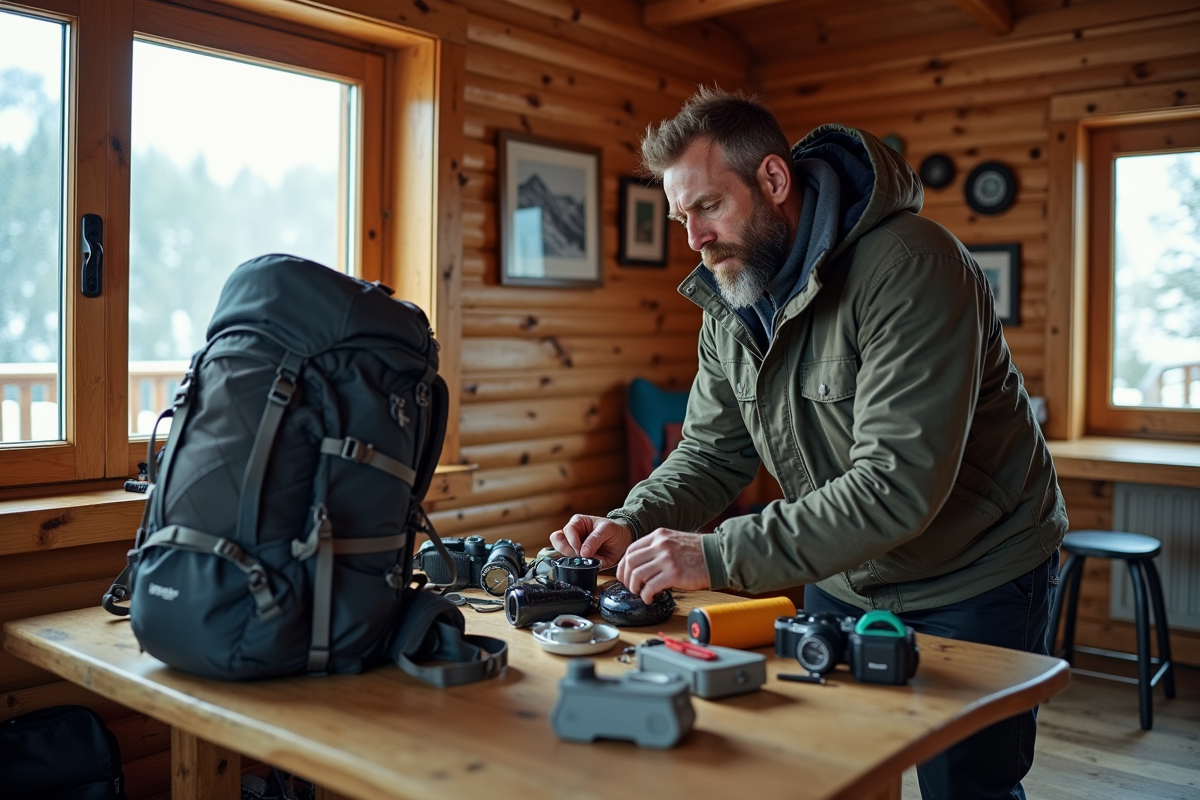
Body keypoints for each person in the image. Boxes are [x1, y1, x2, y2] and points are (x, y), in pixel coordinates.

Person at [550, 87, 1067, 800]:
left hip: (974, 573)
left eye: (707, 207)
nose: (694, 238)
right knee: (836, 770)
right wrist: (632, 520)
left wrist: (714, 554)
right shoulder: (732, 298)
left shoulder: (913, 266)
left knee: (966, 787)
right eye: (680, 217)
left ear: (773, 180)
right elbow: (709, 453)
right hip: (842, 572)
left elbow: (895, 485)